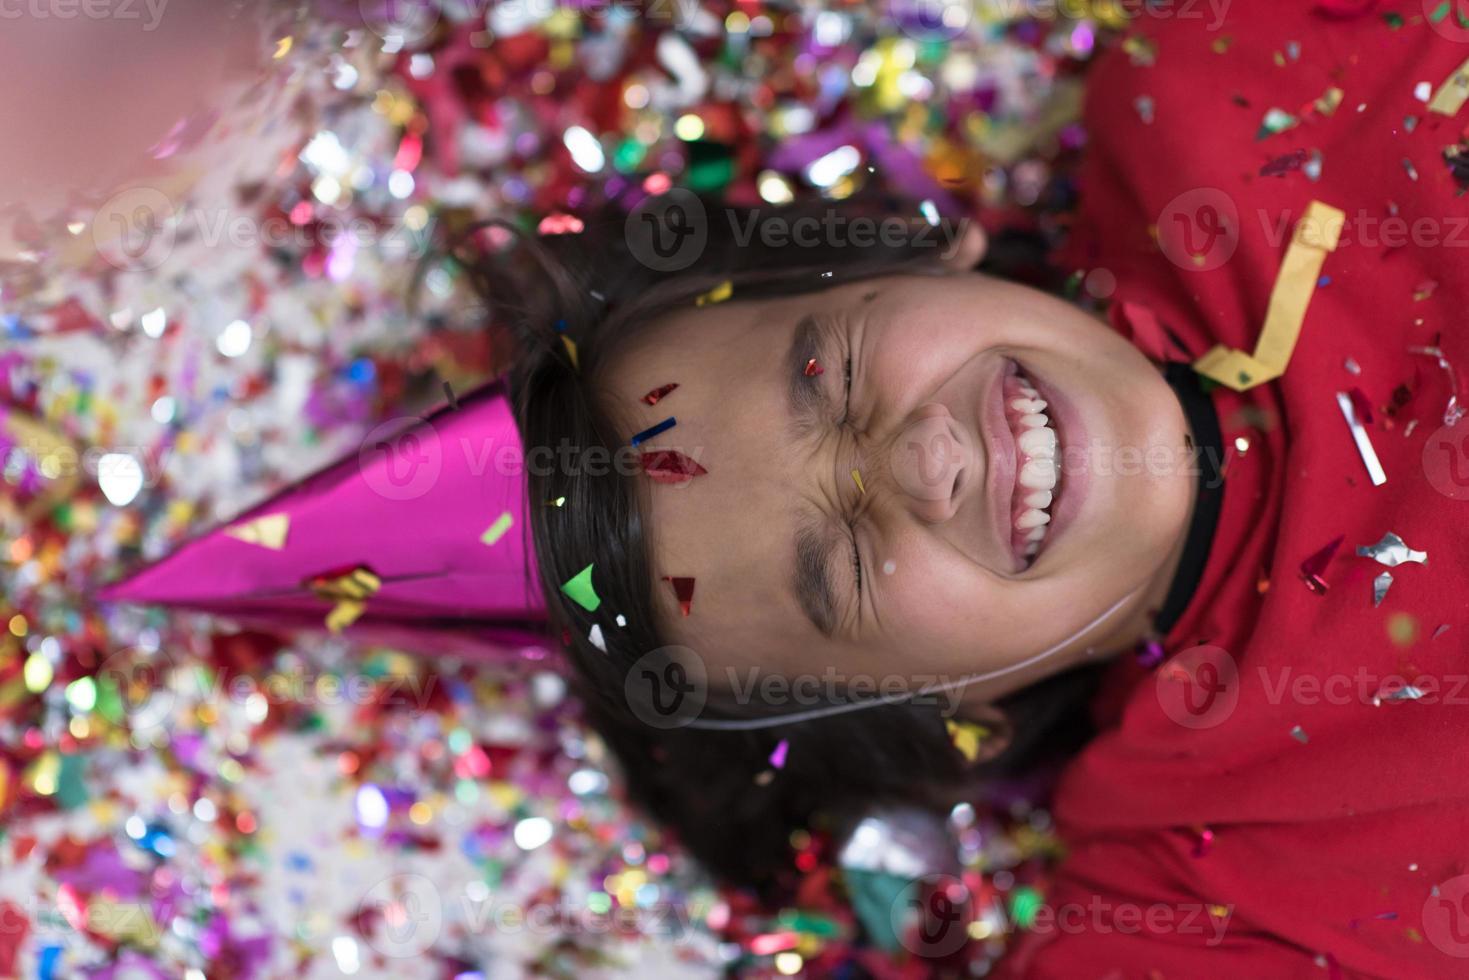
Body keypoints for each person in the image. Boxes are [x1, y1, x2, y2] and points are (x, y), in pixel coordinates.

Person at [490, 2, 1469, 973]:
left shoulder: (1222, 72)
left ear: (914, 247)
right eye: (844, 564)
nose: (923, 460)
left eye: (828, 379)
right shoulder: (1185, 906)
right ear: (951, 714)